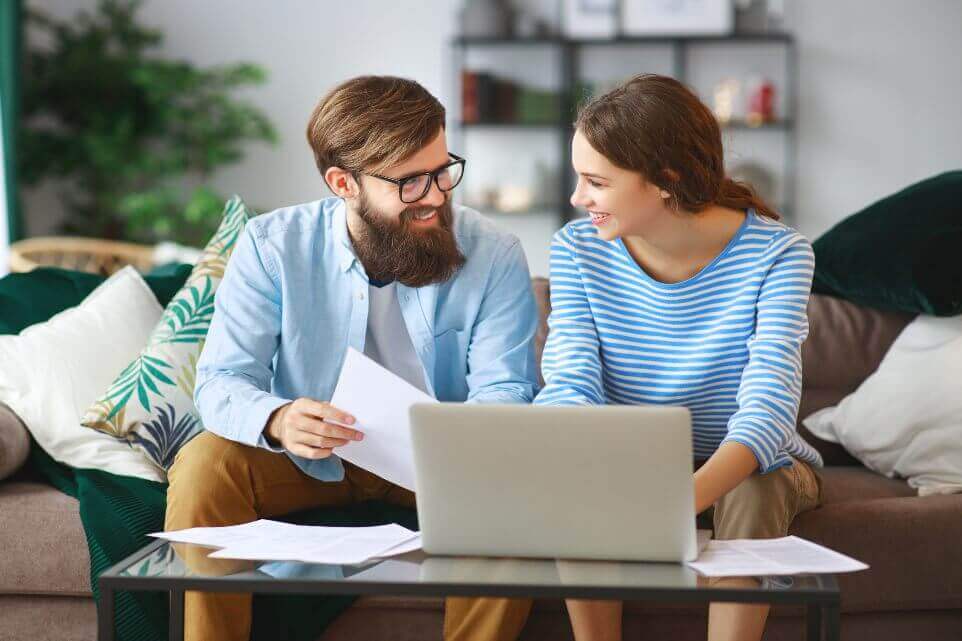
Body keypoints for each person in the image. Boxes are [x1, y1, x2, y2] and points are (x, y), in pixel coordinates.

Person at [444, 74, 823, 641]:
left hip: (753, 466)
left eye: (596, 181)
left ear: (666, 181)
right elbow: (571, 382)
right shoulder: (577, 249)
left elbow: (767, 412)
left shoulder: (780, 254)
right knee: (574, 467)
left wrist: (668, 505)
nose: (577, 198)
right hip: (633, 469)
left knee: (754, 485)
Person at [164, 75, 540, 641]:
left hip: (441, 470)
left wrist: (457, 443)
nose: (436, 196)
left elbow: (508, 390)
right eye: (411, 183)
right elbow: (221, 379)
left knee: (516, 489)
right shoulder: (272, 247)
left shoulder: (496, 254)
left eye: (442, 171)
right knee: (204, 467)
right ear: (344, 183)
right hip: (309, 459)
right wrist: (278, 418)